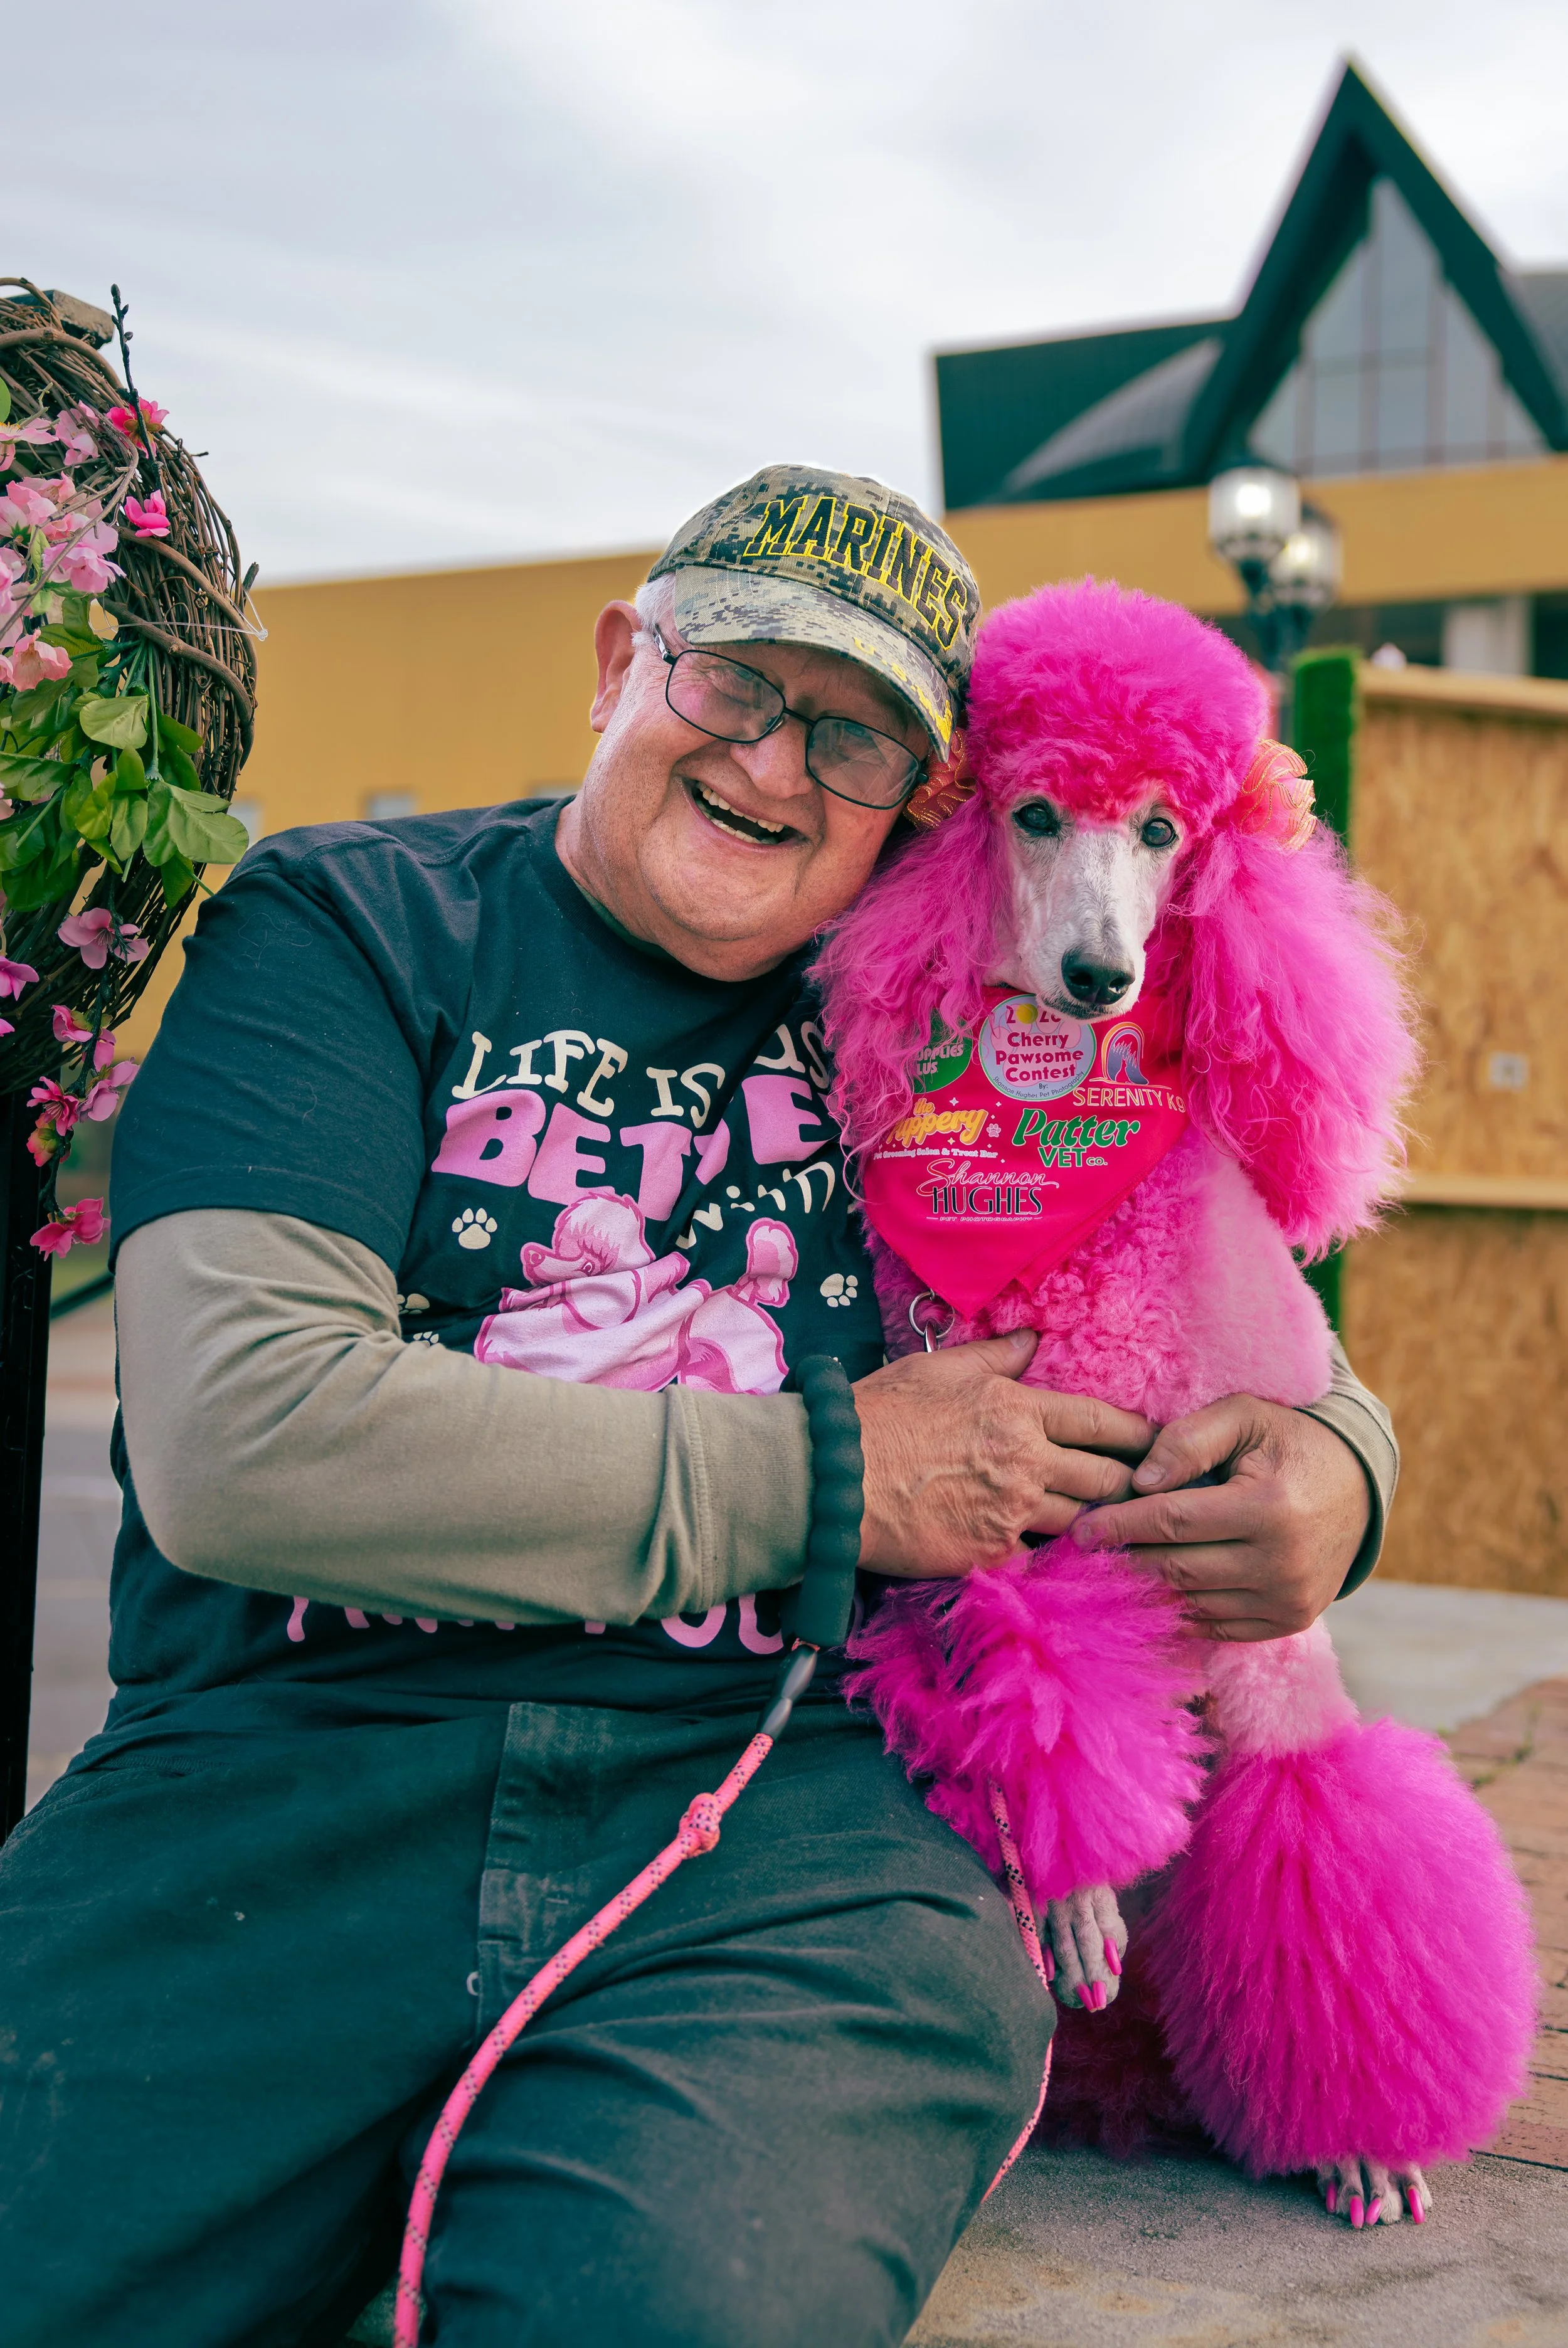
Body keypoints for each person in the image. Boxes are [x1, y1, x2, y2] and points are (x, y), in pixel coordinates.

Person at [0, 467, 1396, 2348]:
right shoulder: (355, 928)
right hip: (282, 1783)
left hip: (810, 1837)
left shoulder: (949, 997)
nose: (776, 766)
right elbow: (247, 1439)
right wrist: (836, 1473)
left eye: (858, 739)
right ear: (614, 665)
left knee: (666, 2306)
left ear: (925, 807)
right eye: (733, 684)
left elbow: (1183, 1272)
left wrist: (1336, 1468)